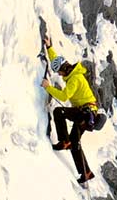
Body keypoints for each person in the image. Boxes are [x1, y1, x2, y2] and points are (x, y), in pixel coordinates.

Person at [40, 36, 101, 183]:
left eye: (59, 72)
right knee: (75, 141)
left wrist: (48, 87)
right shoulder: (72, 72)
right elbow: (57, 61)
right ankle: (86, 173)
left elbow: (64, 96)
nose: (59, 75)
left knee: (59, 112)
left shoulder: (74, 79)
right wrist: (49, 47)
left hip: (84, 112)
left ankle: (65, 141)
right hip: (86, 112)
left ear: (64, 70)